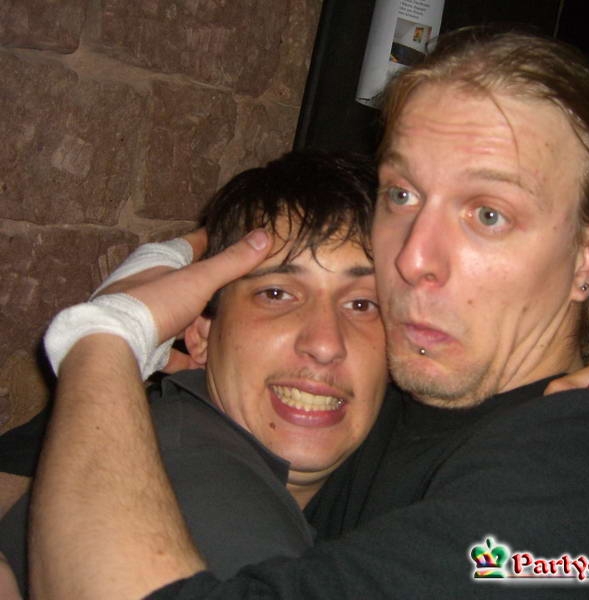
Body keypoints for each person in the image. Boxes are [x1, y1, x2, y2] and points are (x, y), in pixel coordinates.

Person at [29, 28, 589, 599]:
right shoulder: (386, 396)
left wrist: (105, 334)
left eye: (488, 214)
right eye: (401, 195)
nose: (411, 257)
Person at [0, 150, 387, 594]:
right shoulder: (226, 514)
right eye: (276, 294)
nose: (325, 343)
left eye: (363, 303)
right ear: (201, 334)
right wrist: (107, 331)